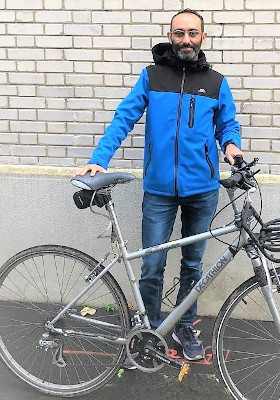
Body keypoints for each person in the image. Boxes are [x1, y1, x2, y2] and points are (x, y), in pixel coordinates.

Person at [75, 9, 244, 361]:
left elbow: (227, 124)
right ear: (171, 36)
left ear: (203, 38)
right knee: (152, 264)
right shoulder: (152, 76)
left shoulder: (215, 81)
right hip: (159, 190)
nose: (186, 39)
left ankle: (183, 326)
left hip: (203, 189)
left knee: (194, 266)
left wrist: (230, 144)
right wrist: (99, 158)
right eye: (179, 33)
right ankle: (150, 330)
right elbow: (124, 116)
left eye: (192, 33)